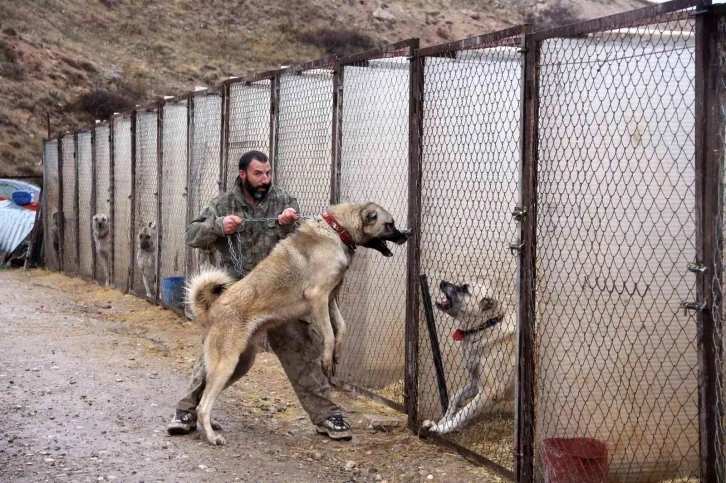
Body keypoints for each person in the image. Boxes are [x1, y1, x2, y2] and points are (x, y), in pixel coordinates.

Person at [167, 150, 351, 440]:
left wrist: (290, 223)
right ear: (243, 175)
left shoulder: (284, 200)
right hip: (240, 294)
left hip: (281, 292)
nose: (265, 179)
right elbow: (191, 235)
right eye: (258, 174)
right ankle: (187, 411)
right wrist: (218, 226)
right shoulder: (222, 204)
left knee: (301, 348)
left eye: (267, 173)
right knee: (222, 358)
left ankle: (326, 415)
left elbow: (304, 243)